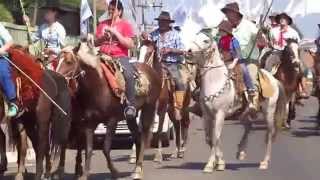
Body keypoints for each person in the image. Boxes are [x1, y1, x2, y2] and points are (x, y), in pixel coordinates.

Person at [95, 0, 136, 119]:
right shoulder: (102, 25)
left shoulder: (125, 25)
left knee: (128, 75)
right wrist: (103, 38)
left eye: (113, 9)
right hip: (102, 55)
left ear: (120, 11)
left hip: (119, 57)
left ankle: (131, 106)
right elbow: (95, 42)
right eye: (110, 9)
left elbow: (130, 44)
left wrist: (116, 33)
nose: (111, 11)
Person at [147, 11, 187, 120]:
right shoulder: (153, 34)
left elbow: (183, 51)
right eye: (160, 22)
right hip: (156, 63)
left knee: (179, 81)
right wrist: (144, 38)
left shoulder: (175, 34)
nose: (161, 24)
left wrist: (170, 50)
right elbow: (147, 44)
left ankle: (178, 107)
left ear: (168, 23)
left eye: (164, 22)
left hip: (171, 63)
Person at [221, 2, 260, 111]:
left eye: (229, 13)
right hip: (229, 59)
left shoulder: (249, 25)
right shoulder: (226, 26)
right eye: (226, 13)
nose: (227, 16)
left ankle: (253, 103)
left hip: (248, 60)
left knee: (250, 76)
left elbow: (260, 39)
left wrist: (259, 37)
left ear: (236, 14)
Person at [218, 20, 256, 108]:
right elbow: (219, 51)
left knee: (244, 70)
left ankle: (250, 88)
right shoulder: (220, 40)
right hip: (224, 62)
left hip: (236, 61)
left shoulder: (234, 41)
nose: (219, 32)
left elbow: (238, 55)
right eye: (219, 30)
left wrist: (233, 64)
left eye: (221, 30)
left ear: (226, 31)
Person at [24, 1, 66, 70]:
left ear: (54, 13)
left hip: (55, 61)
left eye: (47, 11)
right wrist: (27, 24)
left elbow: (63, 50)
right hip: (42, 59)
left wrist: (52, 50)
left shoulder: (60, 29)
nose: (45, 13)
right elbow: (31, 40)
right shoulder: (43, 27)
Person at [0, 23, 19, 117]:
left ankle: (13, 101)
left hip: (0, 57)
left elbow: (10, 41)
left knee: (3, 72)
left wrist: (1, 49)